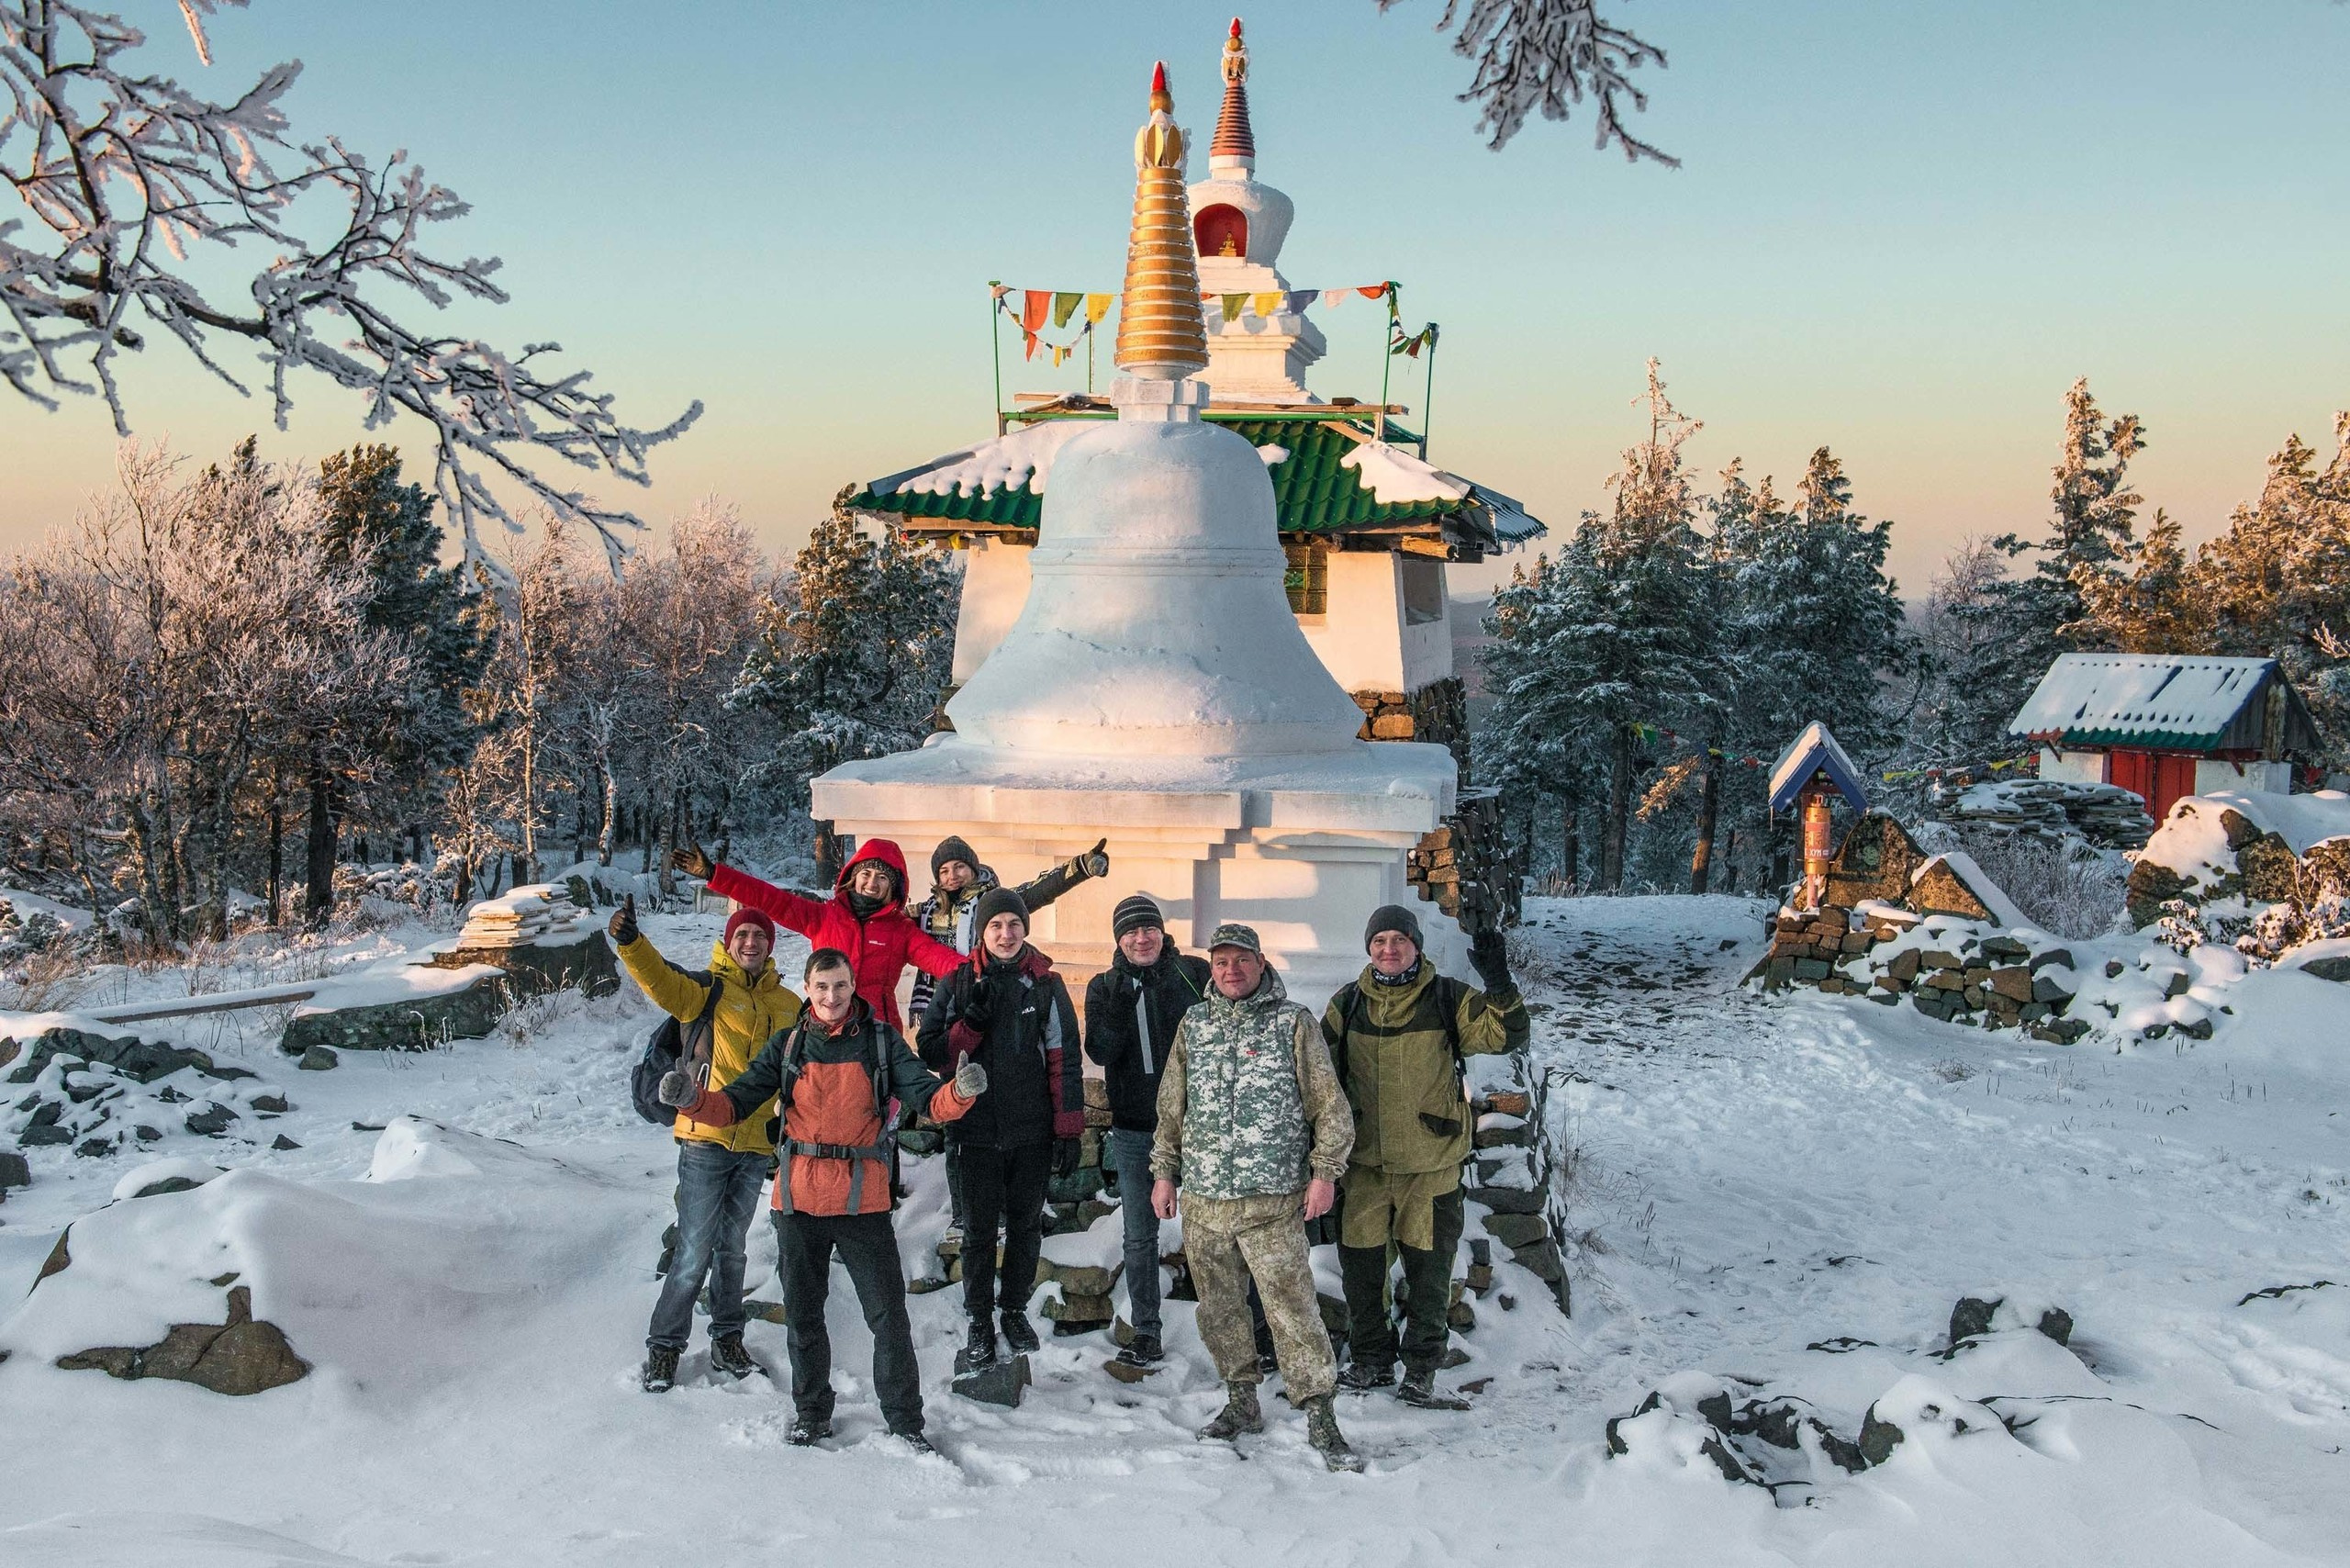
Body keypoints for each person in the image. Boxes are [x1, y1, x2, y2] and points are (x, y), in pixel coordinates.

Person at [659, 946, 985, 1450]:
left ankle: (905, 1422)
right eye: (821, 986)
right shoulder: (788, 1046)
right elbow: (737, 1103)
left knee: (888, 1317)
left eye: (840, 985)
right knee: (805, 1317)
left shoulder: (881, 1043)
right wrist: (692, 1100)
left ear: (853, 986)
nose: (831, 996)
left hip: (863, 1204)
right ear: (808, 990)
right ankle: (811, 1414)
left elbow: (927, 1098)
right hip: (798, 1202)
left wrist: (960, 1092)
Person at [1150, 923, 1362, 1473]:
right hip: (1204, 1201)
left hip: (1271, 1202)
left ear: (1262, 964)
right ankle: (1242, 1402)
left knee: (1291, 1309)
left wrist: (1325, 1173)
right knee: (1219, 1311)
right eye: (1220, 962)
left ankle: (1320, 1414)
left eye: (1241, 960)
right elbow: (1172, 1108)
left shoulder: (1293, 1024)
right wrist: (1164, 1174)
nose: (1230, 970)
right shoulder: (1194, 1024)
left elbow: (1329, 1108)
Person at [1325, 906, 1528, 1409]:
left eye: (1399, 940)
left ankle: (1421, 1370)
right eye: (1379, 941)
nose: (1389, 949)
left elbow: (1510, 1035)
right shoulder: (1346, 1005)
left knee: (1430, 1275)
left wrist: (1498, 979)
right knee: (1363, 1275)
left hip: (1431, 1167)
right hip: (1365, 1168)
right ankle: (1371, 1361)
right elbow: (1317, 1075)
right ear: (1368, 948)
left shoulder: (1447, 998)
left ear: (1417, 946)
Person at [610, 893, 802, 1394]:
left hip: (756, 1143)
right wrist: (631, 943)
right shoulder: (707, 991)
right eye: (742, 934)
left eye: (760, 935)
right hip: (705, 1136)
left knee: (733, 1249)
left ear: (771, 945)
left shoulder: (789, 1005)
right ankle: (664, 1347)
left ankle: (727, 1340)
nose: (751, 941)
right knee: (695, 1248)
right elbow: (662, 983)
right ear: (728, 941)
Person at [912, 834, 1110, 1251]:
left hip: (1011, 1004)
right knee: (958, 1132)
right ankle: (964, 1214)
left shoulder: (999, 901)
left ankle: (1010, 1214)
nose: (952, 876)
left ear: (974, 866)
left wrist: (1080, 866)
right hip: (960, 1004)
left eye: (959, 867)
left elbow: (1042, 888)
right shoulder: (927, 912)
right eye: (943, 871)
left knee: (1013, 1129)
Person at [916, 886, 1084, 1372]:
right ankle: (977, 1320)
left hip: (1031, 1129)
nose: (1006, 934)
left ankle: (1012, 1310)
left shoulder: (1046, 985)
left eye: (1013, 924)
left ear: (1024, 929)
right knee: (979, 1232)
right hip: (975, 1131)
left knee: (1027, 1226)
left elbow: (1063, 1057)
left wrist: (1068, 1128)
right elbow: (932, 1053)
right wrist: (969, 1024)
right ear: (982, 932)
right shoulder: (956, 982)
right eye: (995, 926)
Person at [1081, 893, 1209, 1369]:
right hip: (1137, 1130)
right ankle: (1146, 1331)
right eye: (1131, 932)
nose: (1141, 938)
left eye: (1148, 929)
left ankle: (1244, 1329)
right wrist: (1124, 998)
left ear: (1162, 931)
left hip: (1200, 1126)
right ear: (1119, 939)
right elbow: (1099, 1049)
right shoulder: (1104, 986)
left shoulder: (1192, 974)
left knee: (1220, 1230)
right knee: (1139, 1235)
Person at [672, 837, 959, 1032]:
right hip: (824, 1028)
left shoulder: (901, 931)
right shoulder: (822, 917)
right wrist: (715, 874)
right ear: (854, 877)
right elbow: (769, 898)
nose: (872, 883)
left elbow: (941, 960)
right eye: (866, 874)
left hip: (878, 1033)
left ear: (892, 887)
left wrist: (985, 966)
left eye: (882, 878)